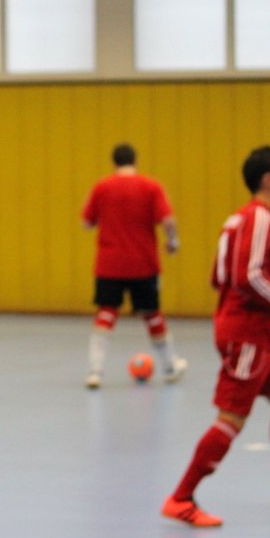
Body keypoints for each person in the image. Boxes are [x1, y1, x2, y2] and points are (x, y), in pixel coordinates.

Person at [161, 146, 270, 527]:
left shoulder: (239, 218)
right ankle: (181, 498)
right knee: (231, 418)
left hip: (252, 332)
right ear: (268, 180)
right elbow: (247, 277)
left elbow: (219, 276)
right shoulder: (261, 219)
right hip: (247, 333)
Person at [81, 143, 187, 388]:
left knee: (106, 313)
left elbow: (87, 223)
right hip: (143, 263)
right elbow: (168, 221)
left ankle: (95, 371)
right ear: (135, 160)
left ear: (114, 162)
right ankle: (170, 366)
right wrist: (173, 241)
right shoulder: (151, 187)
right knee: (152, 314)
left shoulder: (102, 187)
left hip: (109, 263)